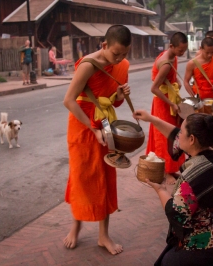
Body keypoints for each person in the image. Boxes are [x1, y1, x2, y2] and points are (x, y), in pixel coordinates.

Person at [132, 110, 213, 266]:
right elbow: (174, 134)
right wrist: (152, 118)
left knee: (167, 262)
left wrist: (160, 189)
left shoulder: (194, 176)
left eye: (182, 131)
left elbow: (177, 213)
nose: (178, 135)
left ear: (192, 139)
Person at [63, 25, 132, 255]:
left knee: (105, 177)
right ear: (104, 45)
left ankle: (104, 235)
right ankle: (76, 225)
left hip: (105, 127)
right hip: (83, 128)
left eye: (124, 54)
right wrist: (92, 129)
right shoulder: (88, 65)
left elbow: (113, 102)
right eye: (115, 54)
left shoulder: (122, 65)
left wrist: (120, 96)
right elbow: (69, 101)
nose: (120, 58)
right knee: (81, 177)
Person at [146, 32, 188, 185]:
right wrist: (171, 104)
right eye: (180, 50)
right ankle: (165, 171)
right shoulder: (165, 63)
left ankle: (172, 168)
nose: (182, 53)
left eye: (184, 50)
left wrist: (176, 80)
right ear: (171, 46)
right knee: (165, 135)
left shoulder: (172, 57)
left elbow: (169, 77)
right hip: (163, 103)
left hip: (170, 98)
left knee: (174, 134)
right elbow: (154, 88)